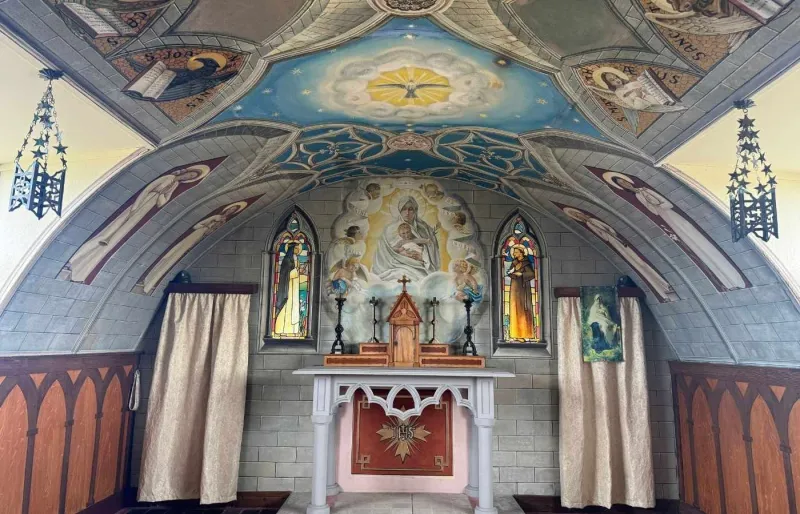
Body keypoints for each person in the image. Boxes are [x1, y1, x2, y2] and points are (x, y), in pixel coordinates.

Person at [65, 164, 209, 283]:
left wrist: (162, 195)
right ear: (187, 171)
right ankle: (73, 260)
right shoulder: (168, 177)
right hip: (138, 206)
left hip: (147, 207)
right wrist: (136, 206)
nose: (188, 177)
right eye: (190, 175)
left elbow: (162, 203)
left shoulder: (175, 184)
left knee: (117, 238)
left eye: (191, 178)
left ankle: (83, 269)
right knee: (110, 231)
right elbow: (147, 189)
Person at [611, 175, 747, 290]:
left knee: (696, 238)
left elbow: (666, 204)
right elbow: (652, 211)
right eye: (621, 184)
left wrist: (657, 205)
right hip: (666, 218)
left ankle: (733, 278)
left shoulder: (645, 190)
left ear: (628, 181)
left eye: (623, 181)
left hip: (672, 215)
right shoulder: (638, 196)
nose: (624, 184)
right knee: (693, 247)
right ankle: (724, 280)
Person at [563, 207, 679, 302]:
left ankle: (665, 285)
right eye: (577, 217)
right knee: (637, 266)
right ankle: (663, 291)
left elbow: (609, 230)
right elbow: (604, 236)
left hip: (619, 241)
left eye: (578, 215)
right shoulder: (590, 225)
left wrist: (610, 233)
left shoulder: (594, 221)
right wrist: (607, 234)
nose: (579, 217)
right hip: (615, 243)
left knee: (641, 263)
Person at [138, 201, 246, 294]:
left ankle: (152, 282)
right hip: (195, 235)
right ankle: (148, 279)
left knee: (175, 258)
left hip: (199, 238)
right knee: (171, 255)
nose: (230, 211)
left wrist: (209, 231)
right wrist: (207, 226)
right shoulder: (216, 217)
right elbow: (196, 226)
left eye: (233, 210)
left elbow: (211, 234)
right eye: (230, 209)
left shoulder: (223, 221)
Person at [372, 196, 440, 282]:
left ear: (415, 210)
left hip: (421, 264)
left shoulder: (424, 228)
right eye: (404, 209)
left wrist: (423, 257)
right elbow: (384, 252)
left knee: (424, 280)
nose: (407, 213)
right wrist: (402, 253)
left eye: (410, 209)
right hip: (396, 266)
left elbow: (432, 247)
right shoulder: (390, 228)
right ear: (400, 211)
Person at [506, 245, 537, 340]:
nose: (514, 254)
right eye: (514, 252)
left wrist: (521, 274)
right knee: (514, 308)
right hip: (514, 287)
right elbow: (509, 272)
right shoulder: (514, 262)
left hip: (523, 288)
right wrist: (511, 274)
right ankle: (515, 334)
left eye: (516, 252)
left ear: (521, 253)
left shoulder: (526, 263)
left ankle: (524, 334)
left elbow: (532, 274)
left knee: (523, 309)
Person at [275, 243, 303, 336]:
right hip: (288, 289)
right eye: (296, 248)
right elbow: (285, 275)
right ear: (291, 248)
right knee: (287, 308)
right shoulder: (286, 260)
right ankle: (281, 329)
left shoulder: (293, 260)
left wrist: (298, 271)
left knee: (293, 308)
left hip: (294, 288)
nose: (298, 250)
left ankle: (293, 330)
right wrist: (296, 271)